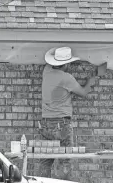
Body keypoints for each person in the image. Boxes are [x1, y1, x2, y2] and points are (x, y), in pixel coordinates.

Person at [38, 46, 96, 180]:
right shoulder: (66, 78)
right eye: (69, 62)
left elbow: (50, 62)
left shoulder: (46, 71)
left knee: (45, 161)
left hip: (45, 124)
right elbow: (83, 92)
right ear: (65, 64)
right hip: (61, 125)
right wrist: (90, 81)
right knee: (65, 160)